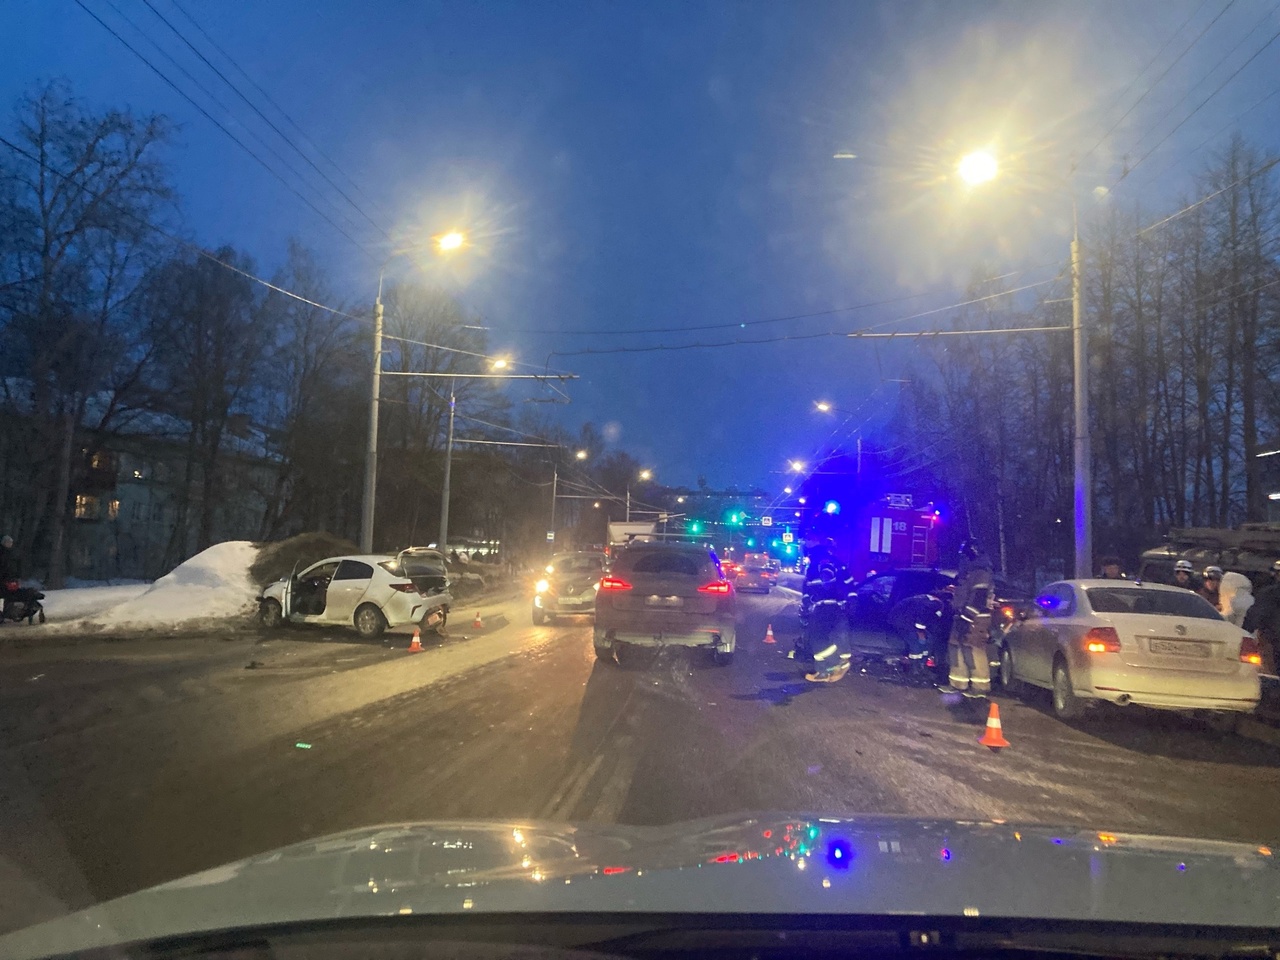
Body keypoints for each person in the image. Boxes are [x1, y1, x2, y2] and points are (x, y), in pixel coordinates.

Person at [942, 539, 995, 698]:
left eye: (965, 555)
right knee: (956, 647)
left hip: (976, 618)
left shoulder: (981, 573)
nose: (963, 558)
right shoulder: (970, 573)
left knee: (974, 650)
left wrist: (967, 618)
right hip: (963, 615)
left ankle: (980, 688)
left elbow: (978, 598)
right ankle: (958, 684)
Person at [1244, 560, 1280, 676]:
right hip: (1273, 639)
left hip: (1273, 641)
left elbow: (1256, 615)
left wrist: (1244, 631)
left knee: (1272, 675)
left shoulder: (1268, 594)